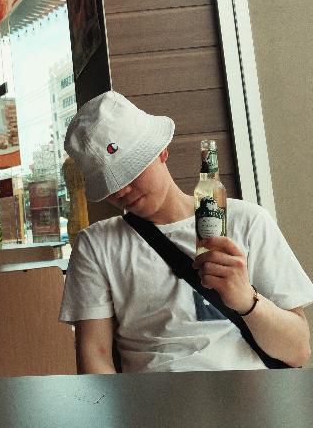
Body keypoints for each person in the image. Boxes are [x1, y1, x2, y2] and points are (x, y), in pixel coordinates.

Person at [59, 90, 313, 374]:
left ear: (162, 152)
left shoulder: (248, 221)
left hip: (249, 395)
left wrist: (245, 300)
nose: (121, 190)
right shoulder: (96, 245)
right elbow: (95, 357)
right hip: (155, 400)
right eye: (109, 183)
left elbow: (298, 351)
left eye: (130, 171)